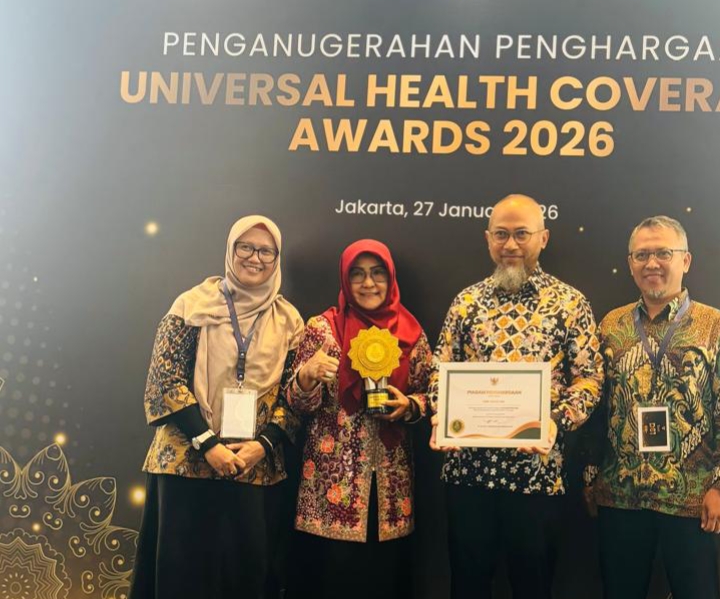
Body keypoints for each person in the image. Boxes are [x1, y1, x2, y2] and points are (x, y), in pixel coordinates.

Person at [429, 194, 603, 599]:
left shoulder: (570, 303)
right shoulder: (466, 302)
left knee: (533, 588)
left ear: (543, 238)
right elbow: (440, 370)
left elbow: (590, 378)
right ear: (487, 238)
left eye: (521, 234)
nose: (510, 245)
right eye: (501, 235)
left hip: (537, 477)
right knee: (467, 587)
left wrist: (555, 422)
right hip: (468, 475)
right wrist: (443, 412)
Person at [130, 215, 305, 599]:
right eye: (246, 247)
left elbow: (292, 397)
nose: (255, 258)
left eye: (266, 251)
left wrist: (264, 445)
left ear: (277, 259)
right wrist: (208, 444)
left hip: (251, 466)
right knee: (181, 576)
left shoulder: (289, 320)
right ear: (230, 250)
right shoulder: (191, 305)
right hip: (186, 462)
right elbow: (164, 381)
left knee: (243, 576)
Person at [584, 215, 720, 599]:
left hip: (693, 498)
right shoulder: (611, 325)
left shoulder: (716, 326)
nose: (652, 263)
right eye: (641, 255)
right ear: (630, 264)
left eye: (663, 253)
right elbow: (598, 407)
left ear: (685, 260)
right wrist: (591, 476)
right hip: (621, 495)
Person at [285, 239, 435, 599]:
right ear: (345, 279)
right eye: (358, 274)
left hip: (390, 487)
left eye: (378, 273)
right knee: (329, 580)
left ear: (390, 278)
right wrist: (306, 376)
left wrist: (410, 406)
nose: (368, 283)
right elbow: (296, 403)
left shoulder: (411, 333)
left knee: (383, 579)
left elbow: (432, 395)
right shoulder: (323, 329)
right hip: (330, 487)